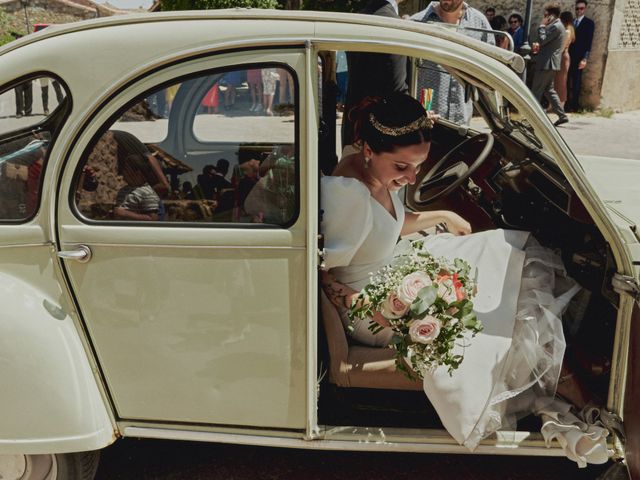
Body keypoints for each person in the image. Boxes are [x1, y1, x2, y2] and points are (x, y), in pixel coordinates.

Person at [320, 92, 604, 460]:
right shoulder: (349, 196)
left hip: (395, 267)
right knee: (507, 318)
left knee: (505, 256)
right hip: (371, 307)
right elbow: (320, 269)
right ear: (370, 150)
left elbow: (384, 225)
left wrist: (441, 216)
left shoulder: (364, 165)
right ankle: (583, 400)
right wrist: (365, 303)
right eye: (402, 167)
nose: (410, 178)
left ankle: (569, 385)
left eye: (418, 167)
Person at [411, 0, 495, 125]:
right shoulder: (417, 23)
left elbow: (490, 69)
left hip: (461, 121)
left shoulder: (479, 24)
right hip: (426, 121)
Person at [342, 0, 409, 146]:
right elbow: (396, 93)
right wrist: (421, 117)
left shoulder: (358, 18)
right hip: (380, 140)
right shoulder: (393, 25)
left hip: (355, 128)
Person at [531, 2, 569, 126]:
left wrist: (542, 26)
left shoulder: (556, 26)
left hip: (547, 63)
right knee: (549, 91)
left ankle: (534, 119)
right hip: (550, 63)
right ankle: (562, 115)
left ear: (552, 15)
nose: (545, 17)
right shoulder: (558, 26)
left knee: (536, 91)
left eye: (546, 15)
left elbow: (543, 39)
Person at [567, 0, 595, 112]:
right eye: (577, 8)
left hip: (579, 58)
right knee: (566, 81)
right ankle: (567, 104)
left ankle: (575, 106)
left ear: (585, 9)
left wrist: (585, 58)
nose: (579, 11)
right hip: (569, 56)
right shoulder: (572, 22)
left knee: (577, 82)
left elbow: (589, 42)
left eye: (581, 8)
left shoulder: (589, 23)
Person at [556, 11, 576, 110]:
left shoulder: (567, 31)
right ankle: (556, 105)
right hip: (563, 57)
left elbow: (562, 47)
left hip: (562, 57)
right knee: (558, 81)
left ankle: (561, 105)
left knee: (561, 81)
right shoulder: (569, 29)